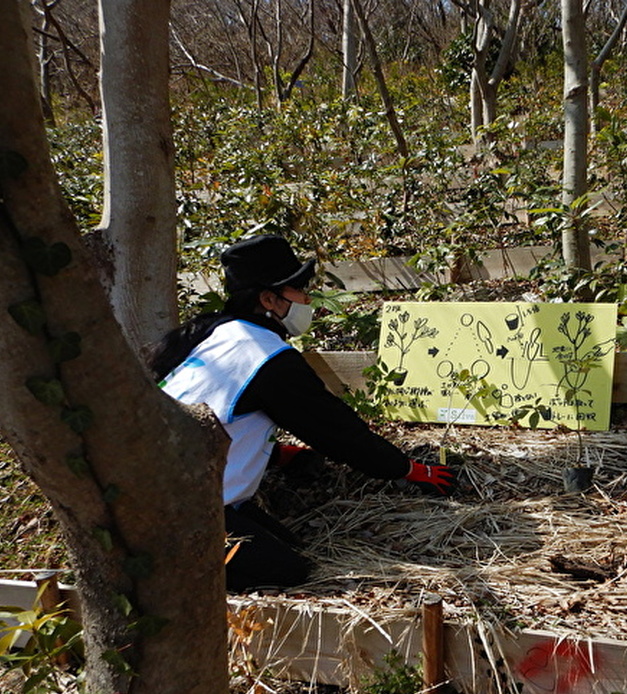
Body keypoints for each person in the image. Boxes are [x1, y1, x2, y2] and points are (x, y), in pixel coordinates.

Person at [150, 235, 456, 592]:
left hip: (151, 490)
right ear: (268, 299)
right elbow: (334, 429)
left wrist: (278, 454)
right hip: (179, 510)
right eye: (299, 290)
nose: (308, 300)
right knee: (290, 572)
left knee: (287, 545)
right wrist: (405, 468)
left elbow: (208, 415)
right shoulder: (265, 355)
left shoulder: (205, 333)